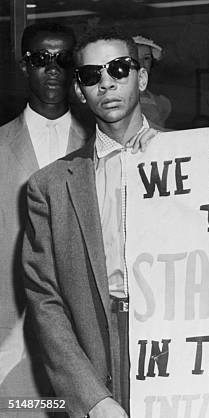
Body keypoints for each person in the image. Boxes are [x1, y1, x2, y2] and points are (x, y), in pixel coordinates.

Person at [22, 28, 156, 417]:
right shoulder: (49, 187)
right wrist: (92, 401)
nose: (107, 83)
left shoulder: (196, 159)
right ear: (79, 90)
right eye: (91, 75)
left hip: (178, 352)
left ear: (142, 78)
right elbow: (45, 302)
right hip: (96, 353)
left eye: (119, 69)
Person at [0, 22, 89, 402]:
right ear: (24, 65)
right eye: (41, 59)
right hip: (12, 338)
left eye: (63, 59)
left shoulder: (101, 144)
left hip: (87, 340)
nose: (53, 69)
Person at [133, 35, 172, 128]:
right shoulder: (119, 100)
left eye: (146, 58)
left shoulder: (162, 103)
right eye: (136, 58)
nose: (141, 63)